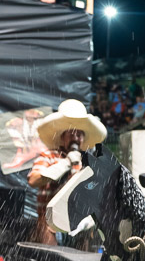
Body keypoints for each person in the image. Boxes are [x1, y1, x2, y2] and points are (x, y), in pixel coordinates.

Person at [27, 99, 107, 245]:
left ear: (83, 138)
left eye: (79, 134)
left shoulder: (88, 163)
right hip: (49, 226)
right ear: (62, 136)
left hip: (79, 226)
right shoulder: (49, 156)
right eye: (71, 133)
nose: (75, 137)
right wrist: (66, 163)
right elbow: (33, 180)